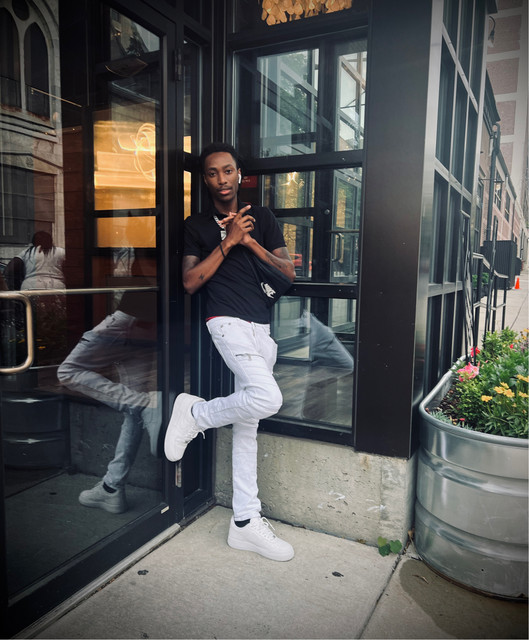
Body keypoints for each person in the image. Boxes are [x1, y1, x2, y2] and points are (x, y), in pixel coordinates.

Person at [164, 142, 296, 561]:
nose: (221, 179)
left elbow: (288, 274)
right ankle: (195, 415)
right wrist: (227, 240)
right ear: (205, 179)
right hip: (225, 322)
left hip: (262, 329)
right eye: (212, 173)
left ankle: (244, 521)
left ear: (239, 174)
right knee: (267, 397)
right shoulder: (197, 226)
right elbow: (190, 282)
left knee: (248, 426)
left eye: (227, 170)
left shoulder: (264, 218)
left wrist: (247, 240)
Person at [57, 252, 160, 514]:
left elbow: (152, 276)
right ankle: (112, 487)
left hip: (130, 319)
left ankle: (145, 403)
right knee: (133, 411)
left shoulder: (154, 237)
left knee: (68, 371)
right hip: (150, 325)